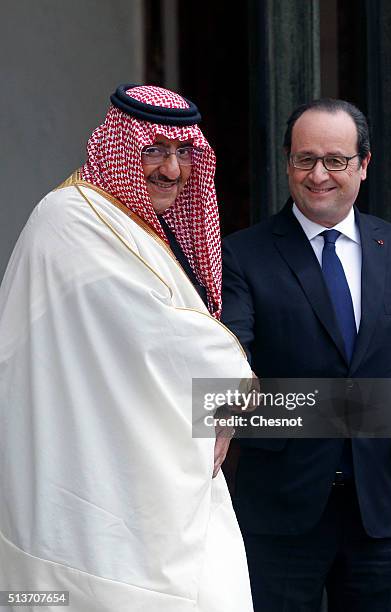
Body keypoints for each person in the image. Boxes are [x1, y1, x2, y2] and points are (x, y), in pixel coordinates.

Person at [0, 85, 253, 611]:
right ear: (118, 146)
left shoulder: (135, 224)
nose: (172, 170)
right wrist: (233, 382)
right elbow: (156, 331)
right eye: (154, 150)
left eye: (184, 152)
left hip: (151, 465)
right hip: (87, 466)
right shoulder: (71, 220)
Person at [221, 98, 391, 612]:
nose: (318, 174)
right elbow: (230, 369)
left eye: (335, 160)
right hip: (280, 506)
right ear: (288, 162)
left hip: (380, 508)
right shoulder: (241, 255)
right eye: (305, 159)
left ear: (364, 165)